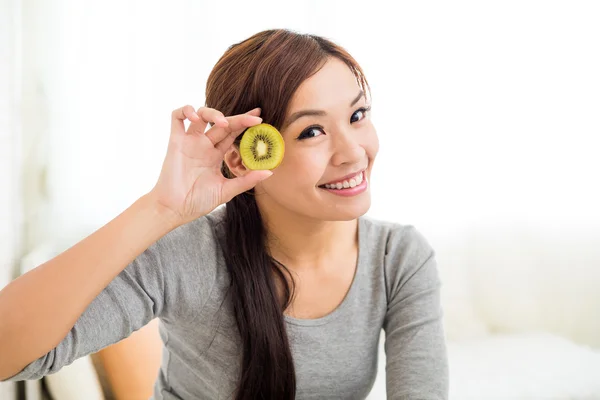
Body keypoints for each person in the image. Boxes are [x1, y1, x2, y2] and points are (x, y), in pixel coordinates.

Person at [0, 29, 449, 399]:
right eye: (312, 131)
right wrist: (160, 208)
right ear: (246, 157)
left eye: (357, 115)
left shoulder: (399, 258)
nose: (353, 153)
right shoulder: (187, 256)